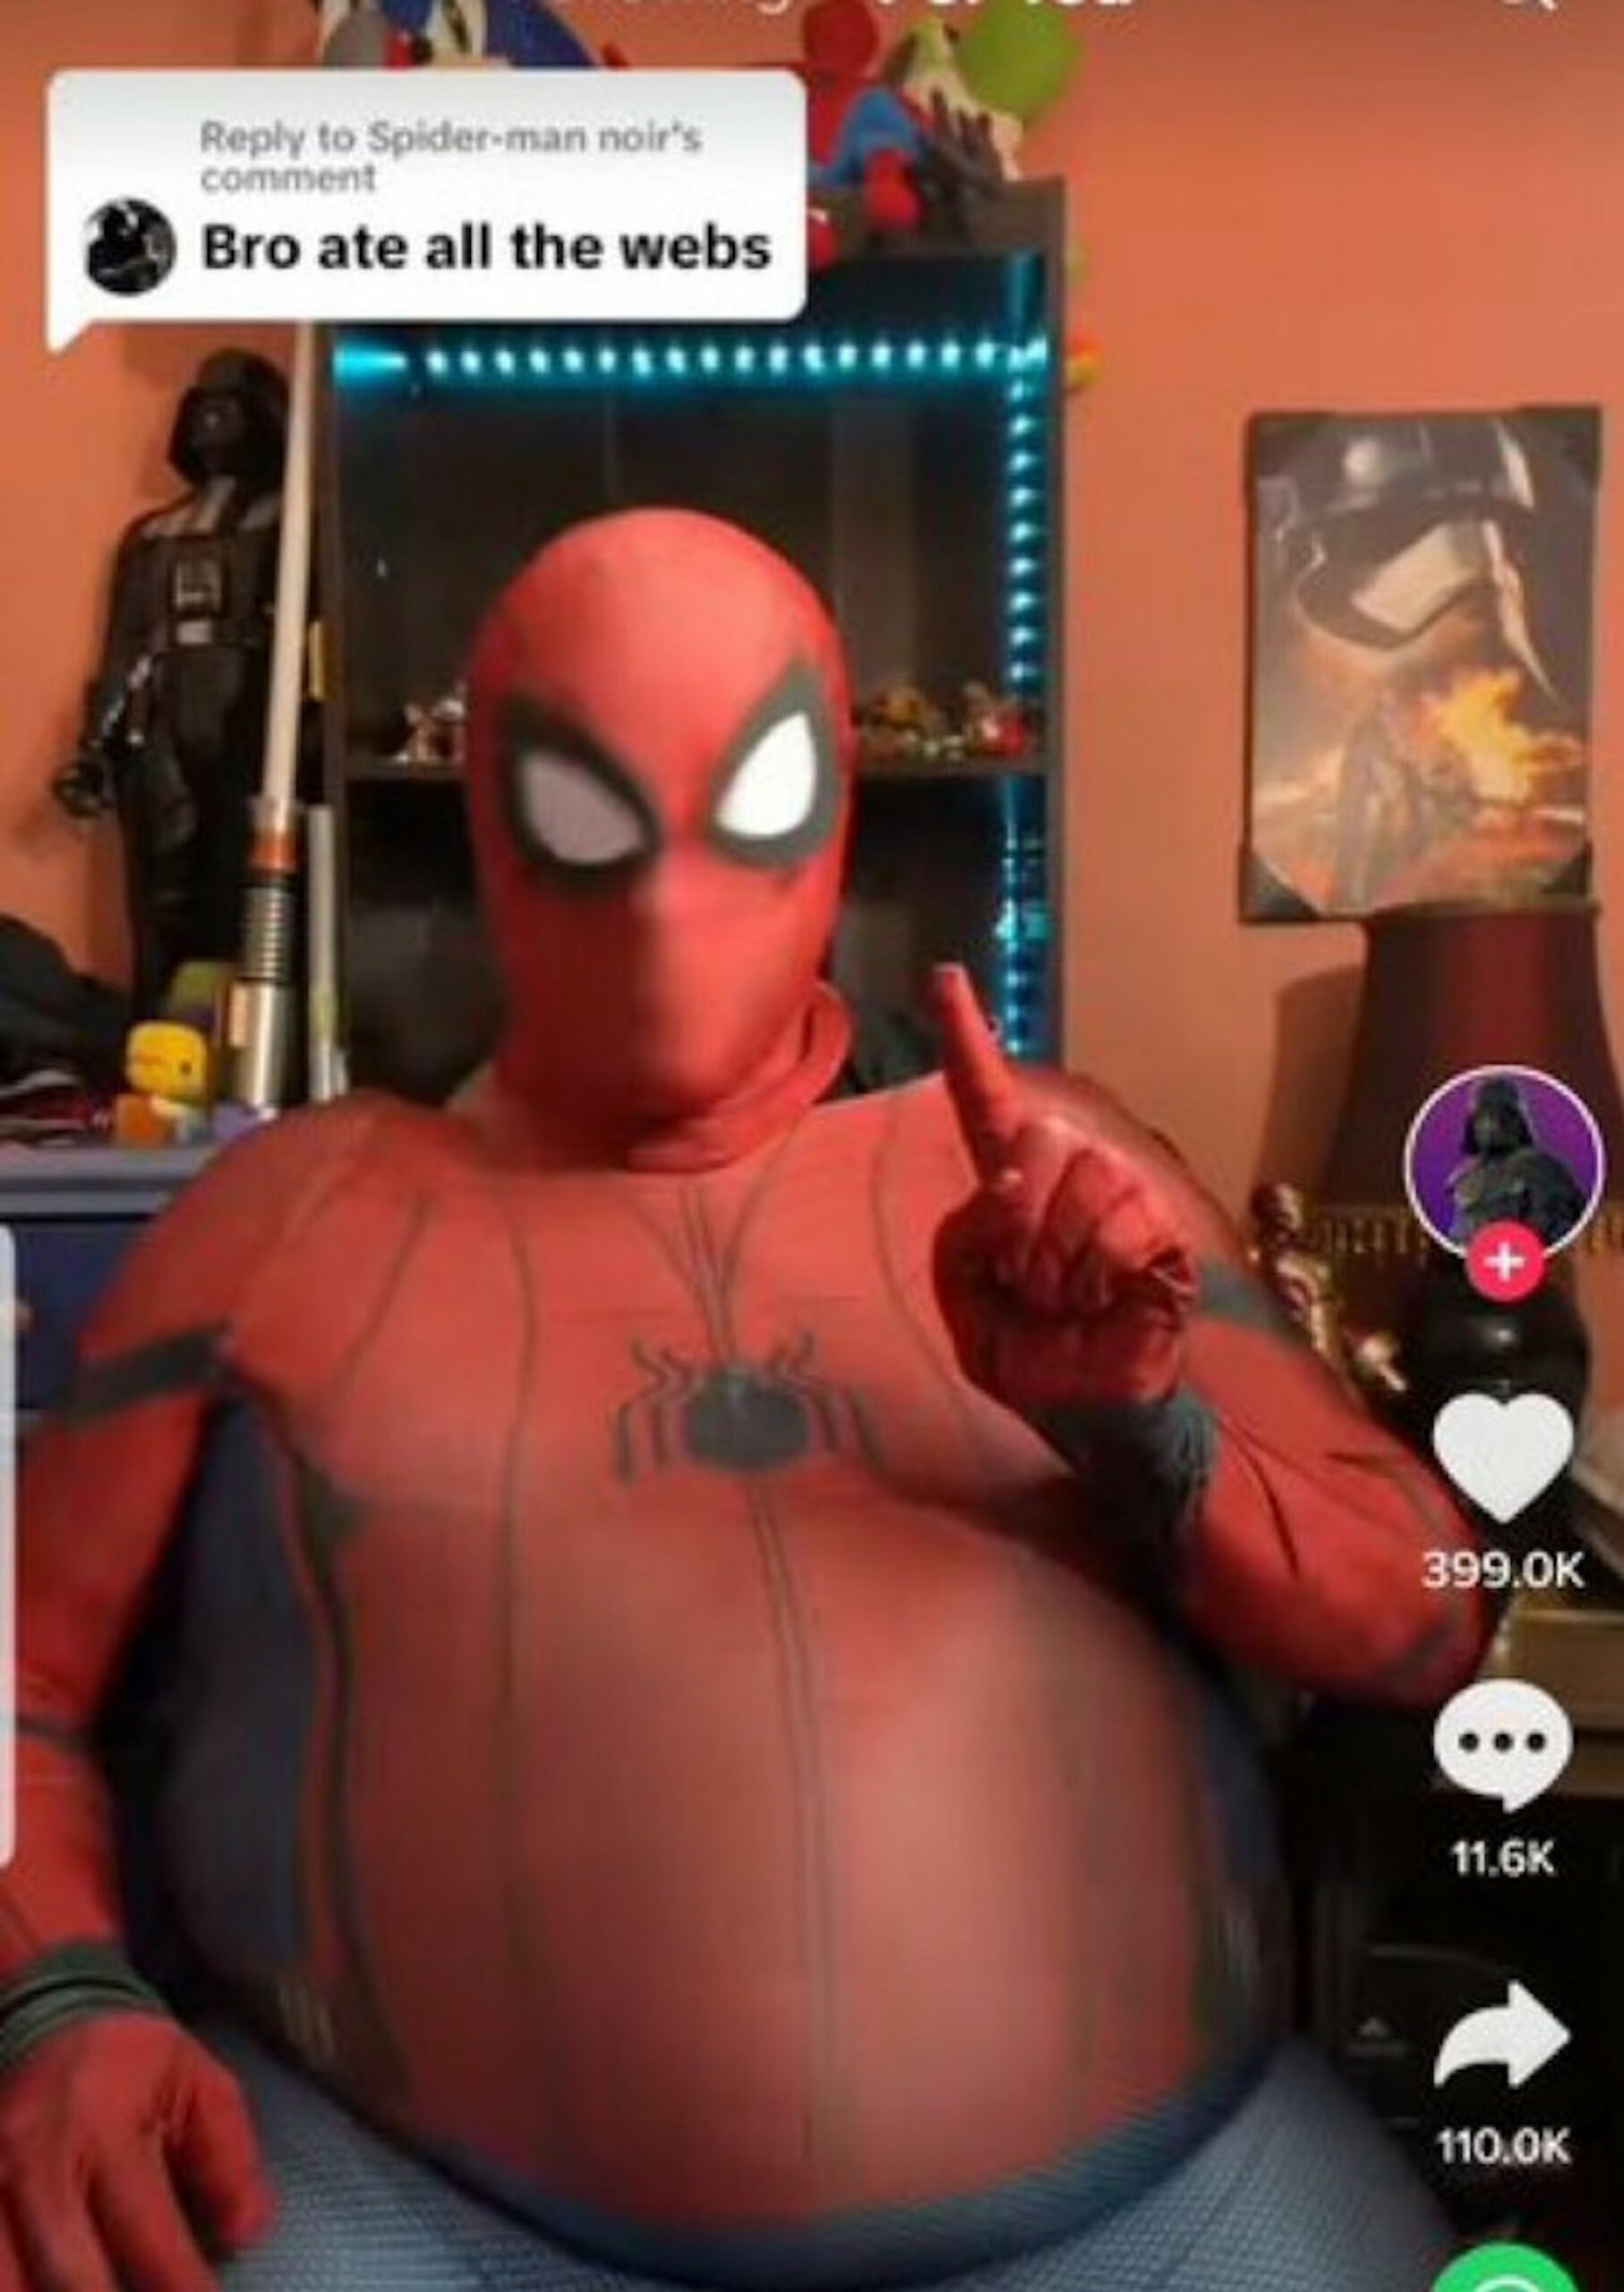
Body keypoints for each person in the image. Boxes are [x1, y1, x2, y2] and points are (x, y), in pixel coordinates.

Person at [0, 511, 1487, 2292]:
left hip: (1167, 2212)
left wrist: (1142, 1424)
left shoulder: (1041, 1174)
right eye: (584, 812)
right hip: (408, 2214)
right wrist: (61, 1997)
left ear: (833, 805)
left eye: (748, 799)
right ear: (486, 819)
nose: (661, 899)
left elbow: (1426, 1620)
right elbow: (20, 1674)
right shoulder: (285, 1220)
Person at [1449, 1072, 1589, 1248]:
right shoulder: (1464, 1178)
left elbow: (1556, 1227)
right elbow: (1460, 1233)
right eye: (1483, 1118)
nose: (1491, 1125)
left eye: (1502, 1117)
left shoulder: (1541, 1167)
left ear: (1517, 1122)